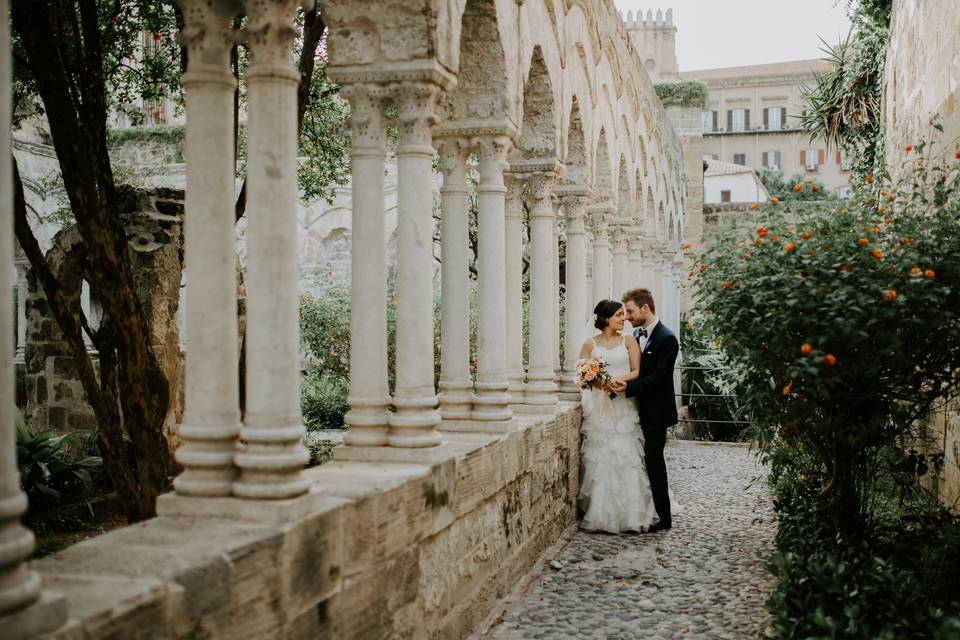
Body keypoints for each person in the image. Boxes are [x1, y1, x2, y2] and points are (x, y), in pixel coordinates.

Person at [576, 299, 659, 534]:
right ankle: (601, 513)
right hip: (601, 407)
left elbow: (636, 370)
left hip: (623, 404)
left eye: (624, 314)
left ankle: (631, 514)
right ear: (605, 318)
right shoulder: (589, 344)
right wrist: (601, 383)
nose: (624, 318)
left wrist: (620, 380)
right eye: (619, 315)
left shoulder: (629, 340)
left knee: (626, 455)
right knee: (602, 455)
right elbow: (582, 373)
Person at [609, 288, 679, 531]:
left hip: (657, 411)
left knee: (654, 460)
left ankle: (664, 516)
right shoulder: (638, 334)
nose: (626, 316)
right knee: (641, 460)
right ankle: (643, 509)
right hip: (636, 409)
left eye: (630, 311)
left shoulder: (667, 338)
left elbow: (660, 377)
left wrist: (627, 387)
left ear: (645, 308)